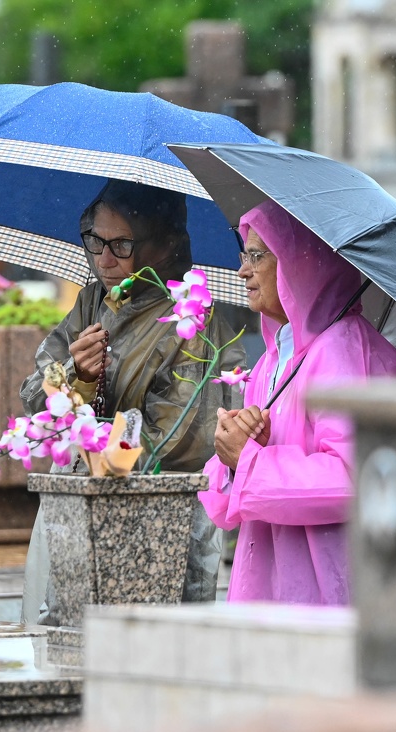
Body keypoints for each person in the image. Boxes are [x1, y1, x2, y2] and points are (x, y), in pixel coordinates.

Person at [20, 180, 245, 624]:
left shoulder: (191, 320)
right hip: (76, 506)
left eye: (121, 245)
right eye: (95, 241)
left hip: (155, 523)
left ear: (165, 244)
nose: (104, 260)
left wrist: (94, 441)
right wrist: (76, 376)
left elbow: (174, 448)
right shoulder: (91, 302)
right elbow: (35, 399)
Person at [198, 200, 396, 606]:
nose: (243, 270)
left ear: (298, 262)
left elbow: (356, 478)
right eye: (243, 254)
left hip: (323, 590)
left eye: (257, 256)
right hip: (270, 587)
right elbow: (230, 496)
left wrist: (248, 462)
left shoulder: (339, 348)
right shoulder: (274, 358)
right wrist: (234, 453)